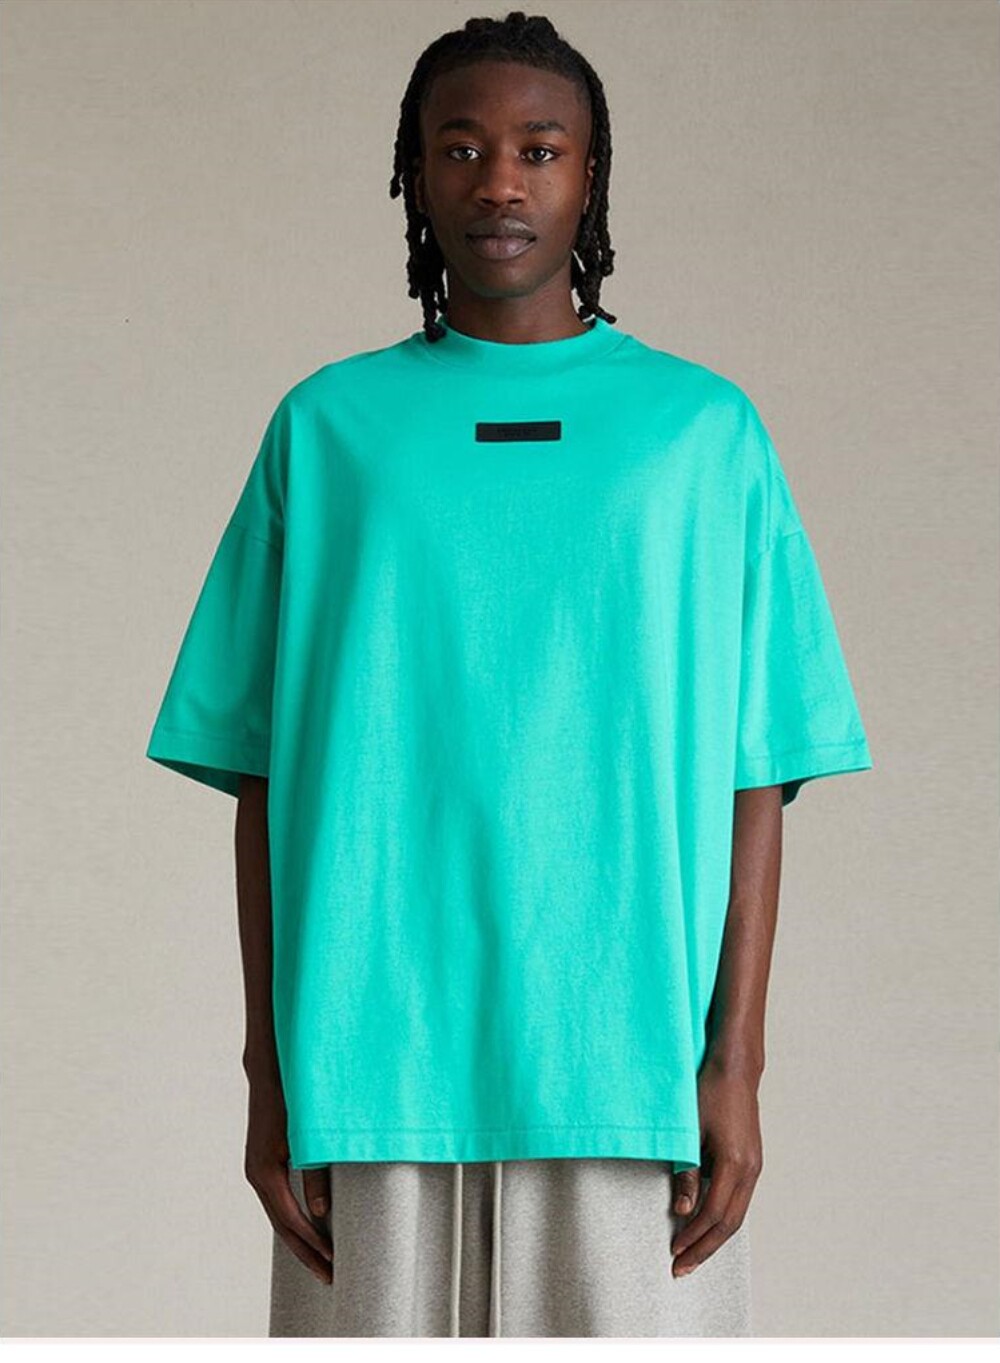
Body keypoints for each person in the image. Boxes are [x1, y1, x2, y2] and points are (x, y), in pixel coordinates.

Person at [145, 9, 873, 1338]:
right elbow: (264, 777)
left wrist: (736, 1064)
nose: (499, 181)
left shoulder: (702, 436)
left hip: (630, 1068)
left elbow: (759, 771)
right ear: (413, 175)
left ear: (591, 176)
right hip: (369, 1069)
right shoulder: (329, 431)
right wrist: (269, 1074)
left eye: (540, 149)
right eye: (461, 147)